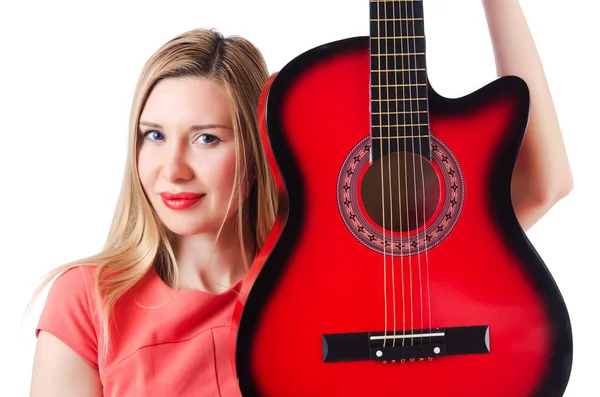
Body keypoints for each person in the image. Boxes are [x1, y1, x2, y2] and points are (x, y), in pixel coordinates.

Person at [29, 1, 573, 395]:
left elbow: (543, 184)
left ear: (260, 146)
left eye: (206, 138)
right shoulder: (87, 301)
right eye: (154, 135)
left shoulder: (342, 271)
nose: (172, 169)